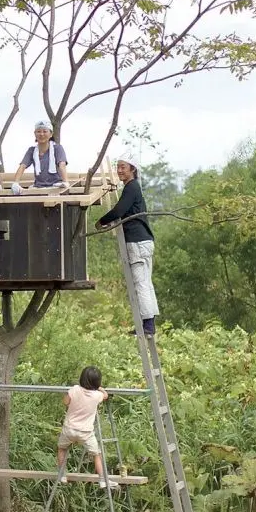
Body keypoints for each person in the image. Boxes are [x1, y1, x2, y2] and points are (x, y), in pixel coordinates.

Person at [95, 155, 159, 336]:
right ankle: (149, 323)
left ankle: (147, 326)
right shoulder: (132, 188)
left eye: (123, 167)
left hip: (137, 242)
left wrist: (102, 221)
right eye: (118, 167)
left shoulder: (131, 188)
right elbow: (124, 212)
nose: (120, 170)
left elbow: (119, 210)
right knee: (146, 282)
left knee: (140, 283)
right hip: (144, 241)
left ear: (133, 170)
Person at [57, 366, 116, 489]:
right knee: (96, 454)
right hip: (86, 432)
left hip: (69, 428)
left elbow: (65, 401)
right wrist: (100, 389)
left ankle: (62, 475)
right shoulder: (96, 396)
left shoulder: (75, 390)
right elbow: (105, 395)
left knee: (62, 449)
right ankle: (102, 480)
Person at [11, 119, 69, 193]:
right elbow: (22, 166)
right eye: (38, 131)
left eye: (45, 131)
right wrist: (16, 183)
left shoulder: (57, 148)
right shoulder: (32, 150)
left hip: (55, 186)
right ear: (35, 134)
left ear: (51, 134)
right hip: (38, 187)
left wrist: (65, 181)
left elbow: (62, 164)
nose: (41, 134)